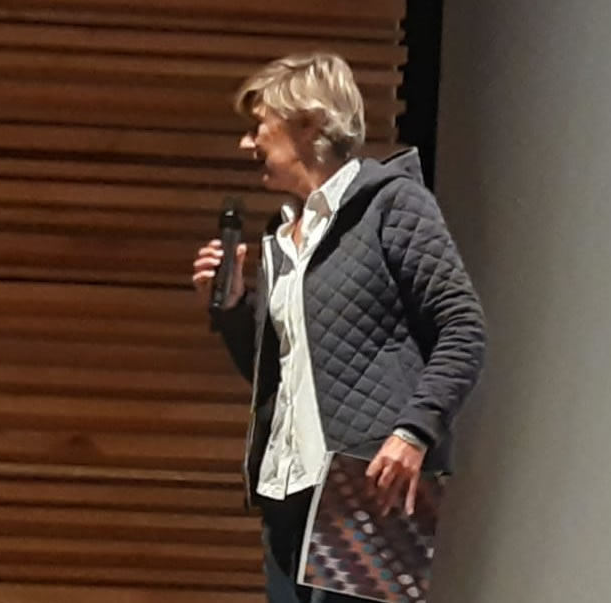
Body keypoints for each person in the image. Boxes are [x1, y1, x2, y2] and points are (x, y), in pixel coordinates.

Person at [193, 51, 485, 603]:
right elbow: (282, 376)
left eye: (259, 126)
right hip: (286, 491)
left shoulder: (392, 205)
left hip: (367, 485)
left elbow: (463, 329)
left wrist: (413, 433)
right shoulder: (280, 237)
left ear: (308, 123)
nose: (246, 143)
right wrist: (232, 308)